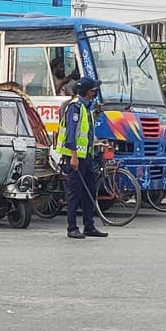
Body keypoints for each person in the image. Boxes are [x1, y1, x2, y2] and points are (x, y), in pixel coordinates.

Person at [56, 77, 108, 239]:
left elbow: (86, 131)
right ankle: (72, 227)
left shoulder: (86, 108)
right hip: (75, 157)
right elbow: (71, 135)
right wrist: (73, 157)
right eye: (94, 90)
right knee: (74, 193)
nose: (95, 93)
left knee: (89, 191)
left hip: (86, 157)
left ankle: (89, 226)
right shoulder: (75, 108)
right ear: (88, 92)